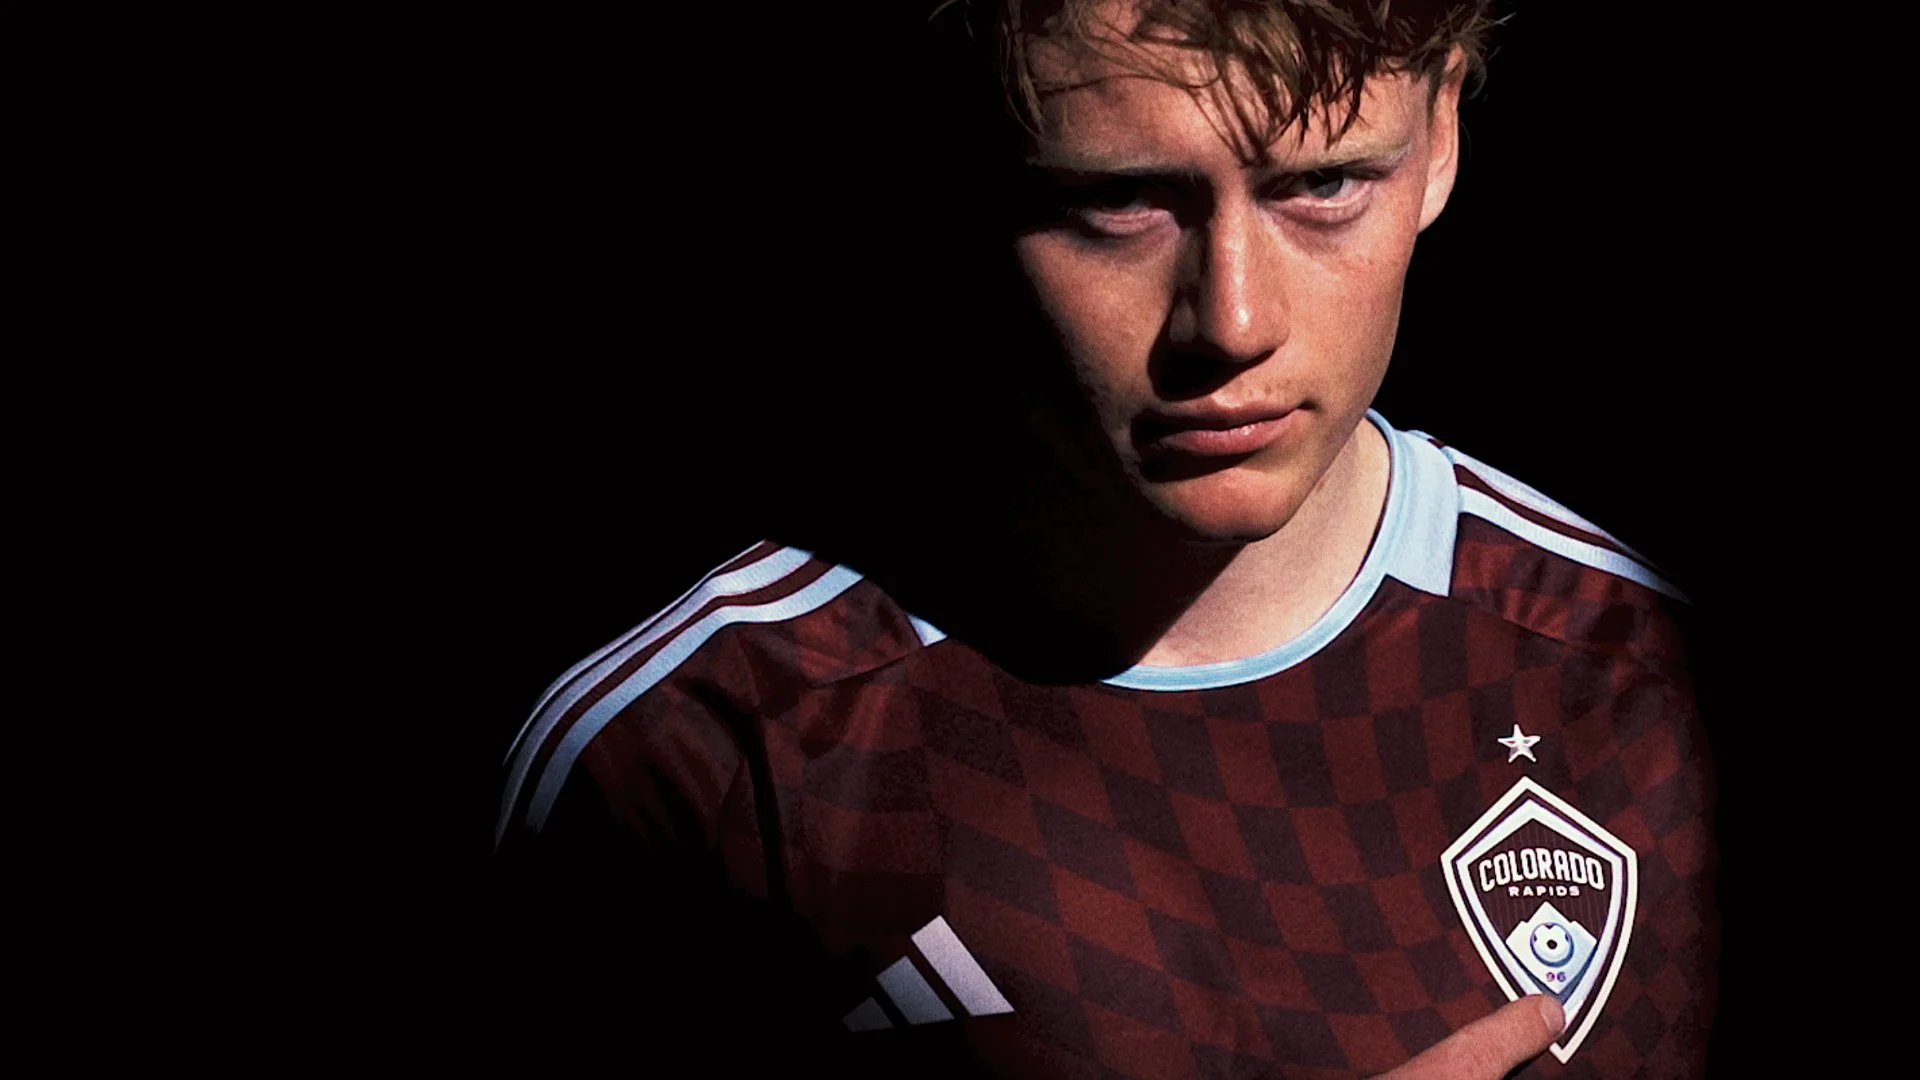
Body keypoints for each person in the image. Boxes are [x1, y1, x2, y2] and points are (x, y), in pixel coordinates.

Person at [492, 2, 1716, 1075]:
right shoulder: (700, 763)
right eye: (1122, 200)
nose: (1233, 322)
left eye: (1325, 185)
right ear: (959, 159)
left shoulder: (1650, 681)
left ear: (1441, 134)